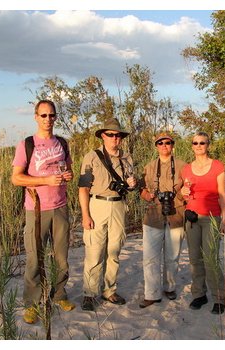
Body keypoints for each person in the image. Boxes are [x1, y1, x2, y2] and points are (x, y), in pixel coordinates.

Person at [11, 99, 75, 324]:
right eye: (43, 115)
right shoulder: (27, 144)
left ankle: (59, 295)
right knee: (34, 259)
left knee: (61, 258)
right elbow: (16, 178)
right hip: (36, 210)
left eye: (52, 115)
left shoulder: (62, 144)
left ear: (56, 117)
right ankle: (32, 304)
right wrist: (44, 180)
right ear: (36, 117)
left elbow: (70, 171)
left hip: (60, 207)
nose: (48, 119)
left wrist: (67, 176)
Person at [78, 118, 137, 311]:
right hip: (97, 204)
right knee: (94, 252)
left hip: (118, 206)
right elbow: (83, 189)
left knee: (114, 251)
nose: (114, 138)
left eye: (118, 135)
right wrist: (85, 215)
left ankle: (109, 290)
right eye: (110, 135)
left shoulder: (126, 157)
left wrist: (132, 184)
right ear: (103, 136)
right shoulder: (91, 157)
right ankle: (89, 292)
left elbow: (129, 183)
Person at [180, 131, 225, 314]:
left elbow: (222, 195)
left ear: (208, 145)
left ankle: (219, 297)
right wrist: (183, 194)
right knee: (194, 259)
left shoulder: (217, 166)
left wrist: (224, 219)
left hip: (212, 218)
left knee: (210, 259)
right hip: (192, 218)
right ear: (191, 145)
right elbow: (184, 194)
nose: (199, 145)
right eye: (195, 143)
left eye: (202, 142)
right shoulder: (186, 169)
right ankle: (199, 294)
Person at [138, 133, 187, 308]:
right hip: (153, 216)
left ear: (173, 145)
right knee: (150, 257)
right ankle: (151, 294)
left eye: (167, 142)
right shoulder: (149, 167)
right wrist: (149, 196)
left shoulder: (183, 166)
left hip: (176, 215)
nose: (164, 145)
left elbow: (190, 187)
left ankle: (169, 287)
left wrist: (182, 194)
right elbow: (141, 190)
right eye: (160, 143)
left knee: (172, 257)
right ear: (156, 146)